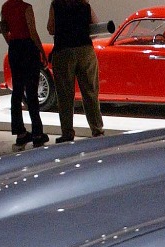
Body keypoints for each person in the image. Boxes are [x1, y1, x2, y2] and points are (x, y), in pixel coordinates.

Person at [47, 0, 105, 143]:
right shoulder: (85, 5)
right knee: (90, 92)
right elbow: (95, 27)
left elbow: (51, 29)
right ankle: (97, 130)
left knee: (65, 95)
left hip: (63, 51)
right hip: (85, 50)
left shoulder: (56, 4)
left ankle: (67, 132)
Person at [0, 0, 49, 147]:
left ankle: (20, 132)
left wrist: (12, 44)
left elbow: (3, 29)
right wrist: (41, 50)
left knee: (17, 90)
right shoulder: (27, 7)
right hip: (28, 48)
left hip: (15, 48)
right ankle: (37, 132)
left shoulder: (5, 7)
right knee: (32, 91)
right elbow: (32, 32)